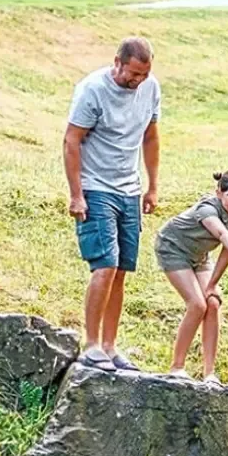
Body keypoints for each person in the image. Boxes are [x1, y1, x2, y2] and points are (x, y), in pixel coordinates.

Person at [65, 37, 161, 372]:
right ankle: (91, 344)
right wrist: (76, 194)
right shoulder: (92, 90)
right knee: (105, 264)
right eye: (133, 73)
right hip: (96, 187)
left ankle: (109, 345)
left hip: (129, 190)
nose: (138, 80)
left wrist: (152, 186)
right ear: (117, 62)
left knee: (121, 269)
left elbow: (151, 137)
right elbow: (71, 140)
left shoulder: (150, 88)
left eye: (144, 74)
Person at [155, 171, 228, 381]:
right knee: (197, 305)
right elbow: (223, 234)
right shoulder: (207, 209)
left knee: (213, 302)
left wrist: (213, 284)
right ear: (219, 193)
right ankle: (177, 367)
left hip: (200, 255)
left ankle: (209, 373)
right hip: (173, 248)